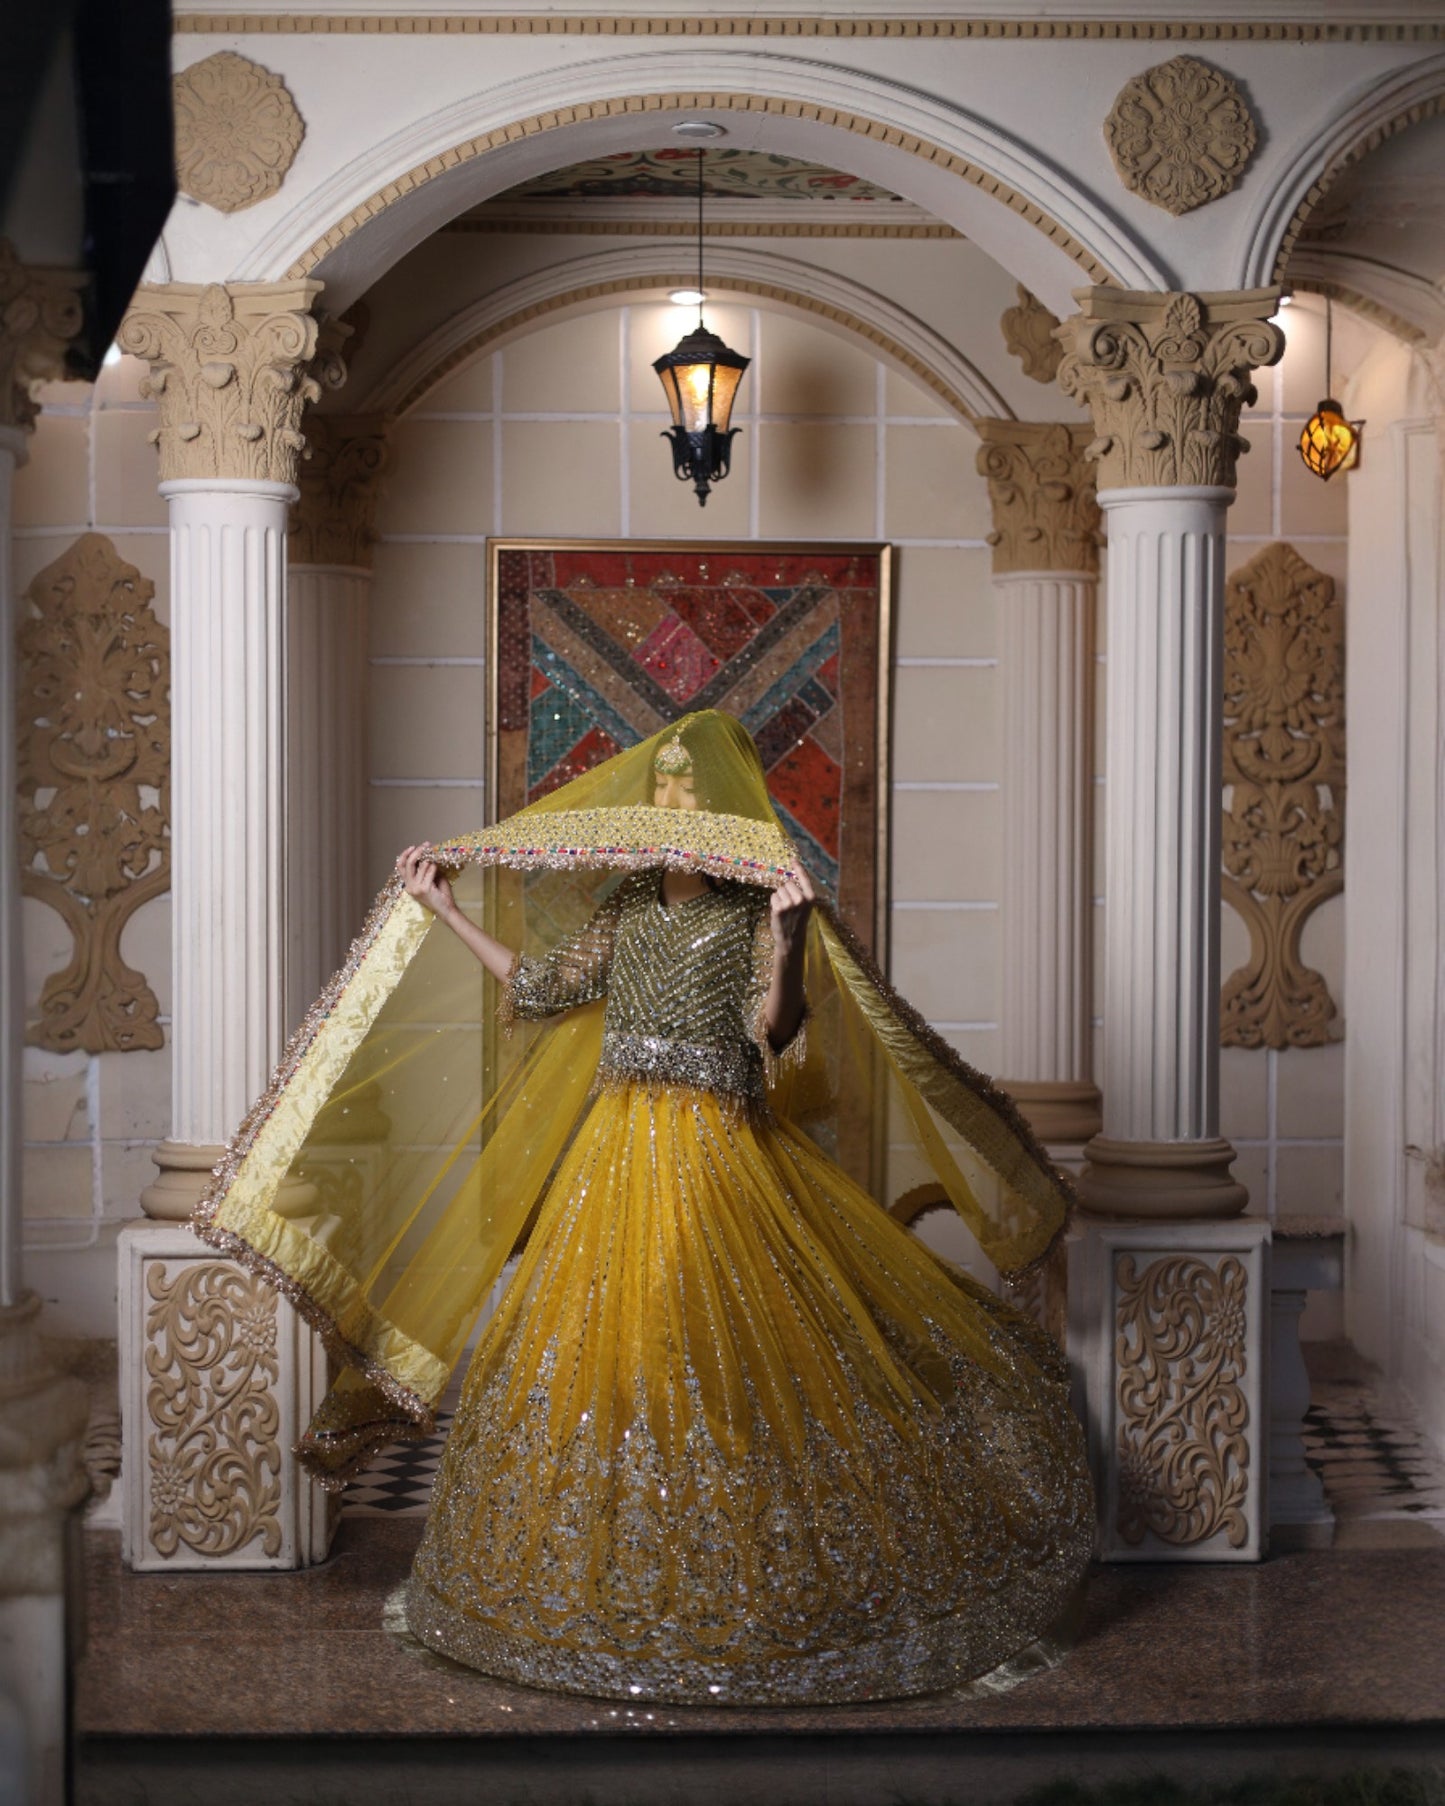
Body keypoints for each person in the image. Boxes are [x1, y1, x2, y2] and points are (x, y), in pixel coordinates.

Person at [194, 710, 1094, 1707]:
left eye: (688, 789)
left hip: (718, 1151)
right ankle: (616, 1581)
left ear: (722, 808)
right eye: (661, 787)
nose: (673, 803)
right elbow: (537, 989)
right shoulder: (625, 902)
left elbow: (776, 1032)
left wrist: (790, 938)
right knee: (614, 1357)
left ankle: (743, 1587)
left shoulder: (759, 908)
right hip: (616, 1153)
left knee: (711, 1351)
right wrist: (442, 911)